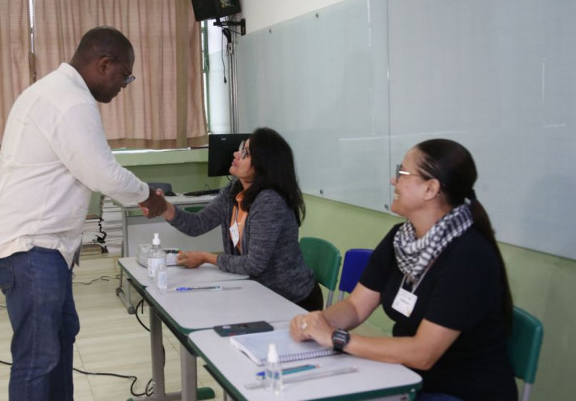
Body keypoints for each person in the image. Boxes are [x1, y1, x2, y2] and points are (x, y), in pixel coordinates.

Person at [0, 26, 166, 400]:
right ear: (104, 64)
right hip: (29, 246)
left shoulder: (55, 91)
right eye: (125, 76)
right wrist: (147, 197)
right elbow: (100, 172)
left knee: (60, 337)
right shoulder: (70, 101)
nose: (124, 85)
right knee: (38, 356)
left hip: (40, 246)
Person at [289, 139, 517, 400]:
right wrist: (317, 323)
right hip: (405, 377)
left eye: (402, 173)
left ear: (430, 188)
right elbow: (355, 306)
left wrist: (338, 339)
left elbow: (423, 353)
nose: (393, 181)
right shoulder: (401, 238)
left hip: (458, 390)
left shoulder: (468, 257)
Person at [149, 127, 323, 311]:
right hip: (257, 291)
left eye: (245, 153)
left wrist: (206, 257)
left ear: (263, 165)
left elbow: (253, 264)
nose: (235, 154)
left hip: (291, 300)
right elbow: (198, 224)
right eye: (241, 149)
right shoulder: (233, 191)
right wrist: (165, 207)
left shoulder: (269, 202)